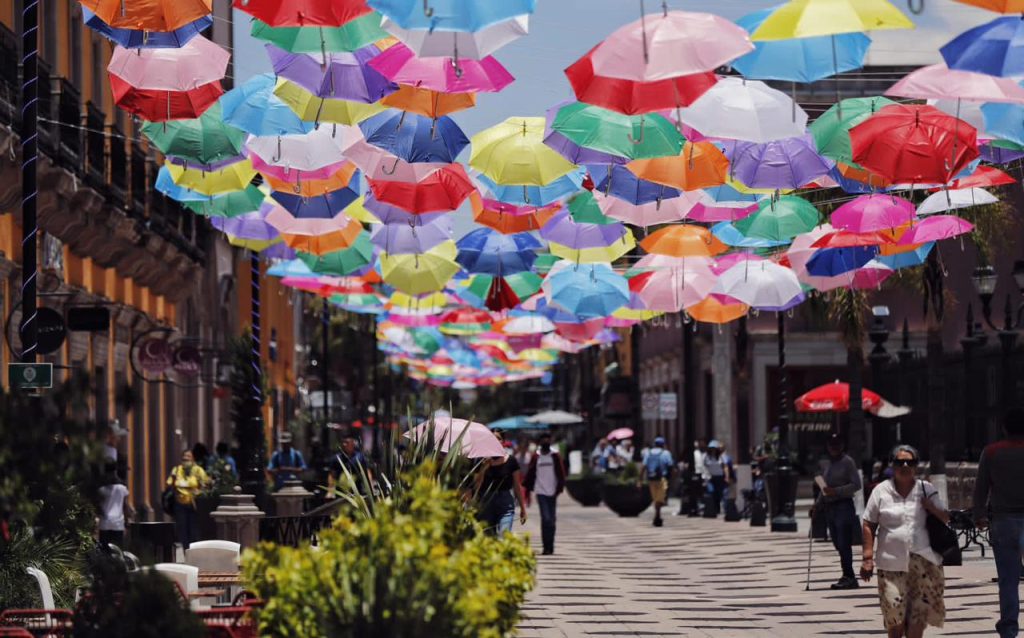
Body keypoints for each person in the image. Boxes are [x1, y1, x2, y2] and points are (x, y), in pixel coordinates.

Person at [861, 445, 949, 638]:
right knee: (895, 619)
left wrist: (930, 507)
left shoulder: (926, 490)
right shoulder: (881, 491)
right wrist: (867, 557)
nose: (905, 465)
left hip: (925, 562)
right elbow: (868, 523)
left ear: (916, 466)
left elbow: (945, 517)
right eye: (900, 462)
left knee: (918, 621)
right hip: (891, 564)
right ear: (893, 465)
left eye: (910, 462)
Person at [972, 407, 1024, 638]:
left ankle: (1010, 628)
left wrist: (979, 515)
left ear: (1004, 428)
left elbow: (981, 487)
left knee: (1008, 579)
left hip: (1004, 520)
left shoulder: (992, 452)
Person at [813, 434, 864, 590]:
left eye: (837, 444)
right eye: (831, 445)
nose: (834, 448)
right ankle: (846, 573)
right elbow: (824, 489)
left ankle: (849, 576)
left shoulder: (848, 462)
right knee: (837, 543)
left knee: (844, 543)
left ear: (842, 445)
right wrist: (817, 506)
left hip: (844, 506)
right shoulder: (828, 464)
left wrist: (836, 491)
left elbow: (856, 484)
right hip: (830, 508)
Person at [523, 433, 565, 554]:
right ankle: (545, 547)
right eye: (543, 439)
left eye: (548, 439)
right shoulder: (536, 456)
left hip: (553, 491)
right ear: (540, 442)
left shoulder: (555, 455)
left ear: (550, 440)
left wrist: (559, 488)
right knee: (545, 518)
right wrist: (527, 490)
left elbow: (561, 473)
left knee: (551, 520)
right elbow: (530, 472)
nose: (545, 441)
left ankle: (550, 546)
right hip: (540, 491)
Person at [476, 443, 528, 536]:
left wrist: (522, 508)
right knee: (488, 538)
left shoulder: (511, 460)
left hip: (505, 503)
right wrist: (483, 469)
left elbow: (517, 485)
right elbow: (476, 486)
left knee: (503, 535)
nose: (496, 441)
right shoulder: (482, 461)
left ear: (503, 441)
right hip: (487, 503)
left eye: (498, 438)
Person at [166, 450, 209, 551]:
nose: (185, 459)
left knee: (194, 530)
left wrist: (199, 491)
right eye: (184, 458)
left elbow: (206, 485)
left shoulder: (198, 470)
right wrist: (173, 482)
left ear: (193, 459)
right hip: (180, 504)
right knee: (182, 530)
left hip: (194, 505)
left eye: (188, 457)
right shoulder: (176, 470)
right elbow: (169, 484)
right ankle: (186, 551)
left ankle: (194, 552)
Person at [97, 461, 132, 548]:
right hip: (118, 523)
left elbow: (98, 506)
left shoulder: (101, 488)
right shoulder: (122, 487)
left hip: (104, 523)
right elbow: (125, 506)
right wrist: (127, 520)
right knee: (117, 551)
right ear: (115, 471)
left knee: (104, 551)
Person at [641, 436, 674, 527]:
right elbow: (670, 465)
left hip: (651, 479)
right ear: (663, 444)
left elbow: (643, 466)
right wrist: (671, 477)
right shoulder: (666, 453)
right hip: (662, 479)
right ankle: (657, 515)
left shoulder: (648, 453)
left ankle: (657, 515)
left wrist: (640, 479)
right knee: (660, 499)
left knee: (656, 499)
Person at [703, 440, 728, 517]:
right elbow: (704, 467)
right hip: (711, 477)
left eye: (714, 448)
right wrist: (705, 477)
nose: (713, 450)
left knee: (719, 494)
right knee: (711, 491)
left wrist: (726, 476)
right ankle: (711, 508)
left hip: (720, 478)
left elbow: (725, 466)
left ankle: (717, 509)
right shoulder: (706, 457)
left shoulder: (720, 457)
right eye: (711, 448)